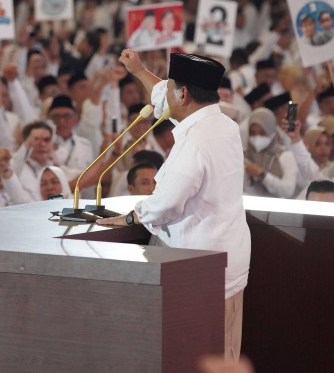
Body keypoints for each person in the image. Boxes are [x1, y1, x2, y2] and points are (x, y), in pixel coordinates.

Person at [98, 50, 251, 362]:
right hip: (228, 257)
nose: (162, 96)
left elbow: (166, 203)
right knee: (228, 351)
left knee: (200, 357)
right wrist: (138, 70)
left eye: (170, 88)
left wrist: (131, 217)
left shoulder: (196, 141)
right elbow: (164, 96)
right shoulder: (224, 124)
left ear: (184, 94)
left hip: (200, 267)